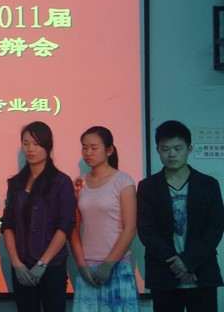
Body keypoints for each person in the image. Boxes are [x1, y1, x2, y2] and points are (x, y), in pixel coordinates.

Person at [137, 120, 224, 312]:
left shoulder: (208, 184)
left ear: (189, 149)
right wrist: (174, 261)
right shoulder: (147, 187)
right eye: (165, 149)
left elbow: (215, 228)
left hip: (202, 273)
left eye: (178, 148)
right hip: (164, 274)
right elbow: (146, 230)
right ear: (158, 150)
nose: (172, 154)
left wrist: (188, 262)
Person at [0, 121, 75, 312]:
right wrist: (16, 263)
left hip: (52, 266)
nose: (30, 149)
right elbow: (7, 225)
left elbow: (65, 225)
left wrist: (43, 263)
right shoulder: (16, 183)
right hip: (22, 267)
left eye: (36, 143)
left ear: (48, 146)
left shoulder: (61, 182)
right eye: (26, 143)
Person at [71, 126, 139, 312]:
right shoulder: (79, 183)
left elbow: (130, 228)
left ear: (109, 150)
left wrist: (108, 265)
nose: (88, 152)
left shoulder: (123, 181)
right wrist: (81, 264)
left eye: (94, 148)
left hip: (116, 264)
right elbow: (73, 227)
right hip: (87, 267)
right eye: (84, 148)